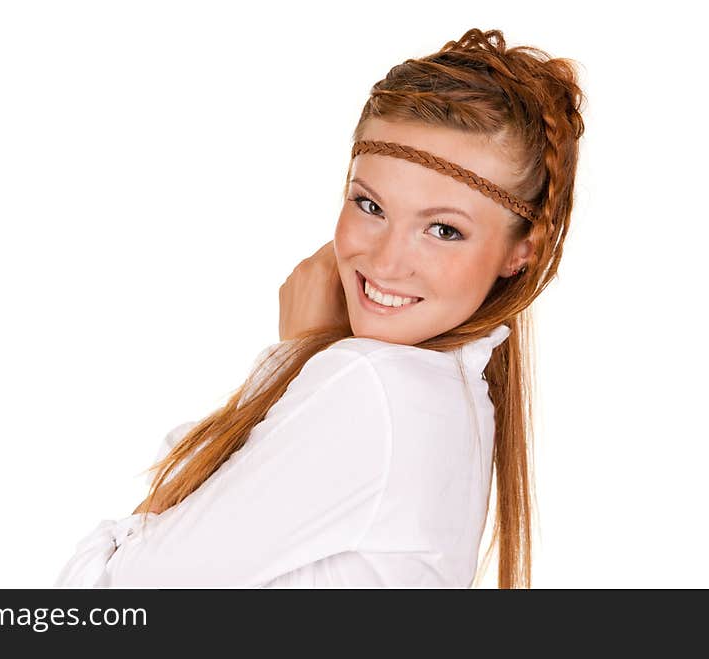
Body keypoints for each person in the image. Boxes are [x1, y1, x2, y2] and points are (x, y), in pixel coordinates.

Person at [54, 27, 586, 589]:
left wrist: (294, 361)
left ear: (521, 251)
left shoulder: (374, 386)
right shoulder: (451, 396)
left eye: (443, 229)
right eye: (370, 204)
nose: (385, 261)